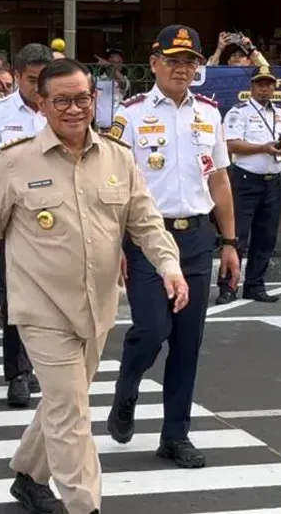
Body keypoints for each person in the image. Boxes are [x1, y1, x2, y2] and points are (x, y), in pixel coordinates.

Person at [0, 58, 184, 514]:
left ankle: (28, 473)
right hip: (41, 309)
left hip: (97, 307)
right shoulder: (14, 162)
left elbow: (145, 222)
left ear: (94, 99)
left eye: (82, 98)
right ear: (41, 104)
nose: (74, 109)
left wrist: (169, 266)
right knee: (72, 412)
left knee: (65, 400)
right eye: (61, 101)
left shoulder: (118, 158)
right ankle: (85, 505)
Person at [106, 24, 241, 469]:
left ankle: (175, 435)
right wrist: (116, 243)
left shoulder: (209, 114)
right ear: (154, 63)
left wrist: (229, 242)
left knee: (187, 342)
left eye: (190, 62)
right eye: (173, 61)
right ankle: (127, 387)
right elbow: (113, 184)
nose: (182, 69)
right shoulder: (131, 114)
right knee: (151, 330)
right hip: (147, 237)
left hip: (196, 238)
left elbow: (219, 179)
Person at [0, 44, 54, 407]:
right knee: (15, 297)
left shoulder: (61, 106)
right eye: (32, 80)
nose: (39, 88)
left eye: (44, 79)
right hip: (15, 216)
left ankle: (43, 363)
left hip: (58, 215)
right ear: (17, 76)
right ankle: (18, 373)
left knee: (51, 296)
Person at [216, 65, 281, 304]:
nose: (265, 89)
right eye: (260, 84)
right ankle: (228, 287)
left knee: (266, 237)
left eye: (269, 84)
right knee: (237, 236)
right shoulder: (239, 112)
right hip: (246, 181)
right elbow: (230, 144)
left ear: (274, 87)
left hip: (273, 181)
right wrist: (263, 148)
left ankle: (255, 285)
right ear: (252, 86)